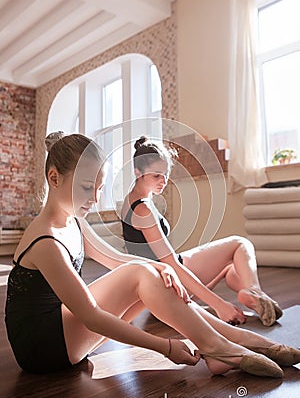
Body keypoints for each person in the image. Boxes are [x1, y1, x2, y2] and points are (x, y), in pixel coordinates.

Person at [5, 132, 299, 378]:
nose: (95, 199)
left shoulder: (73, 220)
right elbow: (92, 317)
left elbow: (112, 259)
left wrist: (159, 268)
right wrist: (165, 346)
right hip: (44, 350)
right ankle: (221, 346)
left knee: (147, 272)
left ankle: (231, 342)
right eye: (86, 187)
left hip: (65, 333)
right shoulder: (45, 241)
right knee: (140, 273)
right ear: (54, 178)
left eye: (100, 188)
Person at [121, 136, 283, 327]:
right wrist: (219, 305)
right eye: (156, 175)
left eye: (166, 174)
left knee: (232, 268)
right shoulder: (143, 210)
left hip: (162, 287)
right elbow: (170, 262)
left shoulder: (130, 201)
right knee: (240, 244)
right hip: (168, 287)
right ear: (137, 172)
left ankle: (258, 299)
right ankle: (254, 291)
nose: (163, 181)